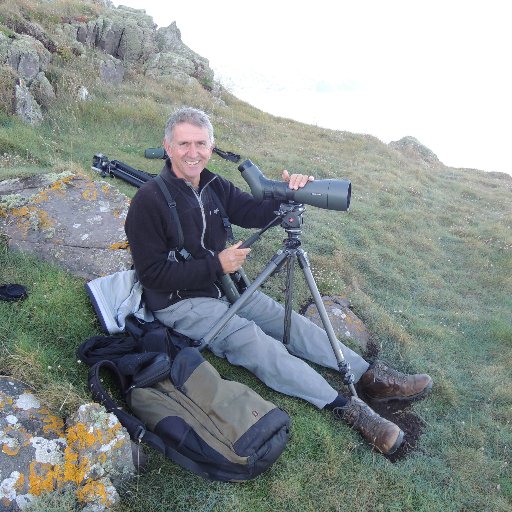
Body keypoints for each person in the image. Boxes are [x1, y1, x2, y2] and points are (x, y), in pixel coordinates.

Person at [125, 106, 433, 455]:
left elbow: (253, 212)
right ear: (168, 147)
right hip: (180, 302)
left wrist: (289, 192)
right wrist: (216, 265)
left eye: (200, 144)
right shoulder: (148, 201)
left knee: (288, 322)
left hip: (224, 287)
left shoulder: (213, 185)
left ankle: (369, 376)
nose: (192, 153)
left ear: (211, 147)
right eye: (183, 144)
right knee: (255, 342)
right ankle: (346, 407)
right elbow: (152, 275)